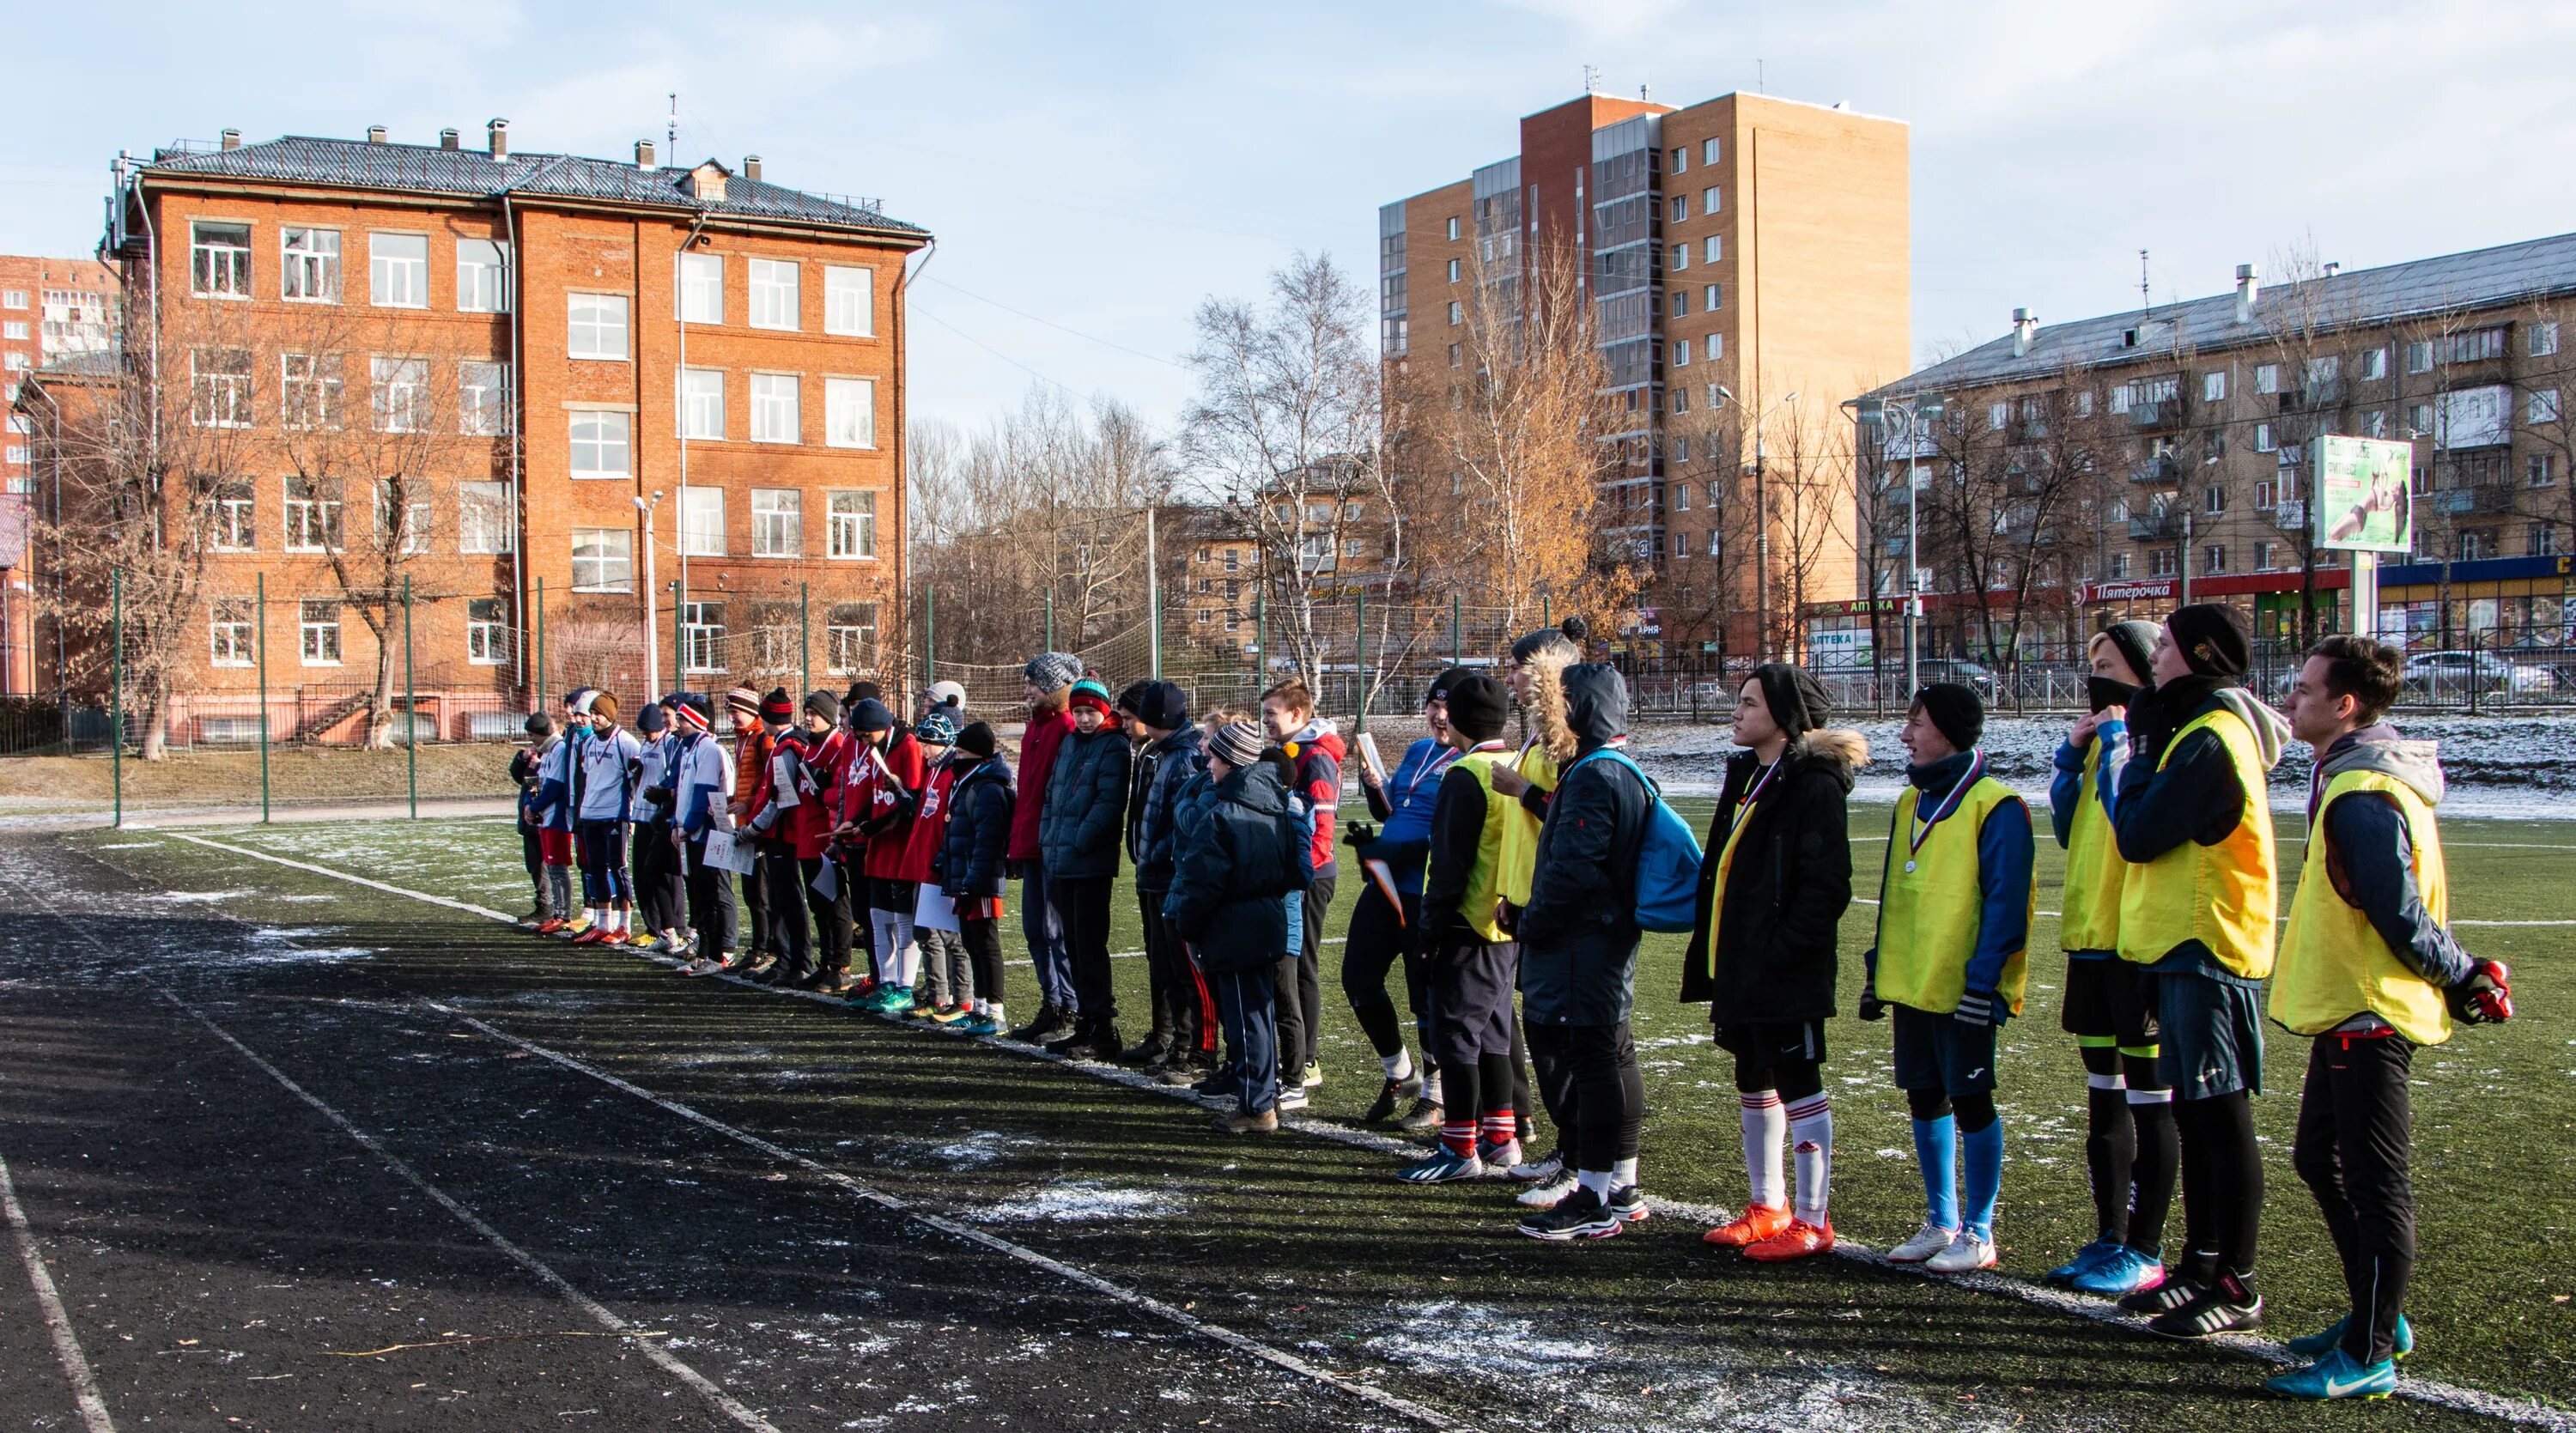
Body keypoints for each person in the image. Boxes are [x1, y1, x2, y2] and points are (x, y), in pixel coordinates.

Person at [2263, 636, 2510, 1400]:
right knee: (2318, 1158)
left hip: (2371, 1008)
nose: (2291, 697)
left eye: (2304, 688)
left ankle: (2371, 1348)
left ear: (2345, 705)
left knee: (2376, 1184)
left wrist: (2462, 972)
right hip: (2350, 1001)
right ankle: (2377, 1316)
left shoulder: (2364, 791)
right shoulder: (2351, 778)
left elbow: (2398, 912)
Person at [2110, 603, 2289, 1338]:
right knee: (2193, 1111)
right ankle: (2199, 1263)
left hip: (2209, 946)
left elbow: (2140, 833)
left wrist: (2139, 759)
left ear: (2201, 654)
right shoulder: (2191, 727)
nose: (2155, 656)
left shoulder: (2213, 735)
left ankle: (2237, 1281)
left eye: (2168, 645)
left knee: (2221, 1116)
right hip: (2179, 944)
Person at [1686, 664, 1866, 1261]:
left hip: (1785, 970)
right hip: (1742, 966)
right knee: (1752, 1075)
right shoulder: (1746, 775)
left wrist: (1780, 950)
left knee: (1798, 1081)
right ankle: (1769, 1206)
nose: (1735, 711)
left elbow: (1828, 885)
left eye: (1749, 702)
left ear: (1784, 718)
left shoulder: (1813, 782)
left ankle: (1814, 1220)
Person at [1859, 682, 2035, 1275]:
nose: (1905, 733)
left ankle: (1980, 1231)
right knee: (1924, 1094)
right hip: (1914, 979)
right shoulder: (1911, 801)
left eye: (1918, 722)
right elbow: (1896, 895)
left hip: (1965, 988)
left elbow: (2008, 905)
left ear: (1953, 732)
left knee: (1972, 1098)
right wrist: (1876, 969)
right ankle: (1942, 1221)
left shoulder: (1997, 804)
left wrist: (1984, 983)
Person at [2044, 620, 2177, 1297]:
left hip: (2138, 943)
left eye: (2107, 661)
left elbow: (2130, 815)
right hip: (2091, 938)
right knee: (2104, 1098)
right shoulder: (2103, 742)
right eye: (2090, 659)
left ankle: (2147, 1245)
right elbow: (2069, 826)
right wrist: (2072, 756)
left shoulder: (2148, 741)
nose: (2094, 673)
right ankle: (2109, 1235)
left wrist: (2119, 740)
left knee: (2152, 1099)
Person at [1514, 663, 1656, 1240]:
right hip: (1602, 937)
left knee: (1596, 1063)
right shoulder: (1618, 767)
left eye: (1559, 700)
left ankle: (1595, 1196)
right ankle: (1620, 1185)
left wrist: (1528, 920)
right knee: (1614, 1056)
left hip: (1583, 944)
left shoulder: (1594, 774)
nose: (1551, 710)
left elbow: (1572, 872)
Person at [1399, 672, 1524, 1183]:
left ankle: (1460, 1145)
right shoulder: (1513, 765)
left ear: (1458, 719)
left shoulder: (1466, 773)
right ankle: (1500, 1135)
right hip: (1504, 921)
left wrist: (1430, 929)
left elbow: (1450, 863)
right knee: (1494, 1031)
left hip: (1468, 921)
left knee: (1456, 1033)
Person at [1165, 719, 1307, 1136]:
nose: (1208, 764)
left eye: (1213, 757)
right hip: (1266, 918)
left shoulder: (1223, 813)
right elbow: (1297, 870)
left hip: (1233, 924)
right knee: (1257, 1014)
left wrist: (1190, 927)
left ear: (1230, 762)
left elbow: (1203, 881)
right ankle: (1258, 1098)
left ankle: (1257, 1106)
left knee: (1247, 1019)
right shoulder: (1278, 804)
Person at [1345, 668, 1470, 1131]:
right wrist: (1377, 790)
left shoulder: (1469, 760)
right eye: (1432, 705)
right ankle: (1400, 1072)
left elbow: (1449, 836)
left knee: (1425, 997)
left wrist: (1390, 851)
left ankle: (1436, 1099)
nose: (1438, 716)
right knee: (1357, 978)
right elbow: (1394, 811)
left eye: (1447, 708)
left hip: (1425, 891)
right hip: (1386, 883)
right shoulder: (1418, 750)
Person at [1039, 678, 1133, 1060]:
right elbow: (1052, 796)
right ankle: (1086, 1023)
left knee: (1090, 945)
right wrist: (1049, 839)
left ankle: (1103, 1028)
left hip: (1089, 862)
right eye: (1077, 712)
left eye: (1090, 712)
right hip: (1062, 859)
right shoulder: (1069, 743)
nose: (1083, 718)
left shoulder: (1114, 746)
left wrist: (1078, 840)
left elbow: (1109, 803)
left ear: (1104, 711)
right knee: (1074, 944)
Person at [1125, 681, 1215, 1078]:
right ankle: (1171, 1039)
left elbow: (1181, 824)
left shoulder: (1184, 757)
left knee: (1182, 966)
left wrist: (1155, 856)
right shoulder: (1158, 754)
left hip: (1170, 878)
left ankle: (1193, 1046)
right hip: (1153, 874)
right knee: (1162, 962)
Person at [1259, 680, 1345, 1094]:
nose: (1266, 721)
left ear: (1297, 714)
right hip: (1296, 873)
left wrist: (1298, 872)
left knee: (1303, 967)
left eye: (1272, 713)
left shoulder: (1316, 759)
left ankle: (1306, 1060)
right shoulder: (1293, 753)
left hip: (1311, 876)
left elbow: (1322, 828)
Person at [1009, 653, 1083, 1043]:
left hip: (1052, 844)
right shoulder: (1034, 728)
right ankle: (1051, 1003)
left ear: (1055, 687)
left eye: (1034, 684)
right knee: (1035, 929)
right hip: (1032, 844)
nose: (1027, 691)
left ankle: (1069, 1008)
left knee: (1055, 930)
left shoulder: (1066, 727)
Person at [848, 697, 928, 1014]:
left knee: (902, 919)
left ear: (881, 728)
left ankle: (905, 987)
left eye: (866, 735)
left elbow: (909, 804)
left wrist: (872, 826)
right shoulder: (876, 749)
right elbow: (877, 800)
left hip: (900, 847)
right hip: (879, 847)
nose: (862, 742)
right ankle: (886, 981)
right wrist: (855, 822)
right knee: (877, 918)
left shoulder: (907, 746)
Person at [936, 720, 1016, 1036]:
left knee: (985, 942)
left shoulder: (988, 789)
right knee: (971, 940)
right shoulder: (967, 785)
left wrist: (974, 877)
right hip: (966, 875)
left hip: (981, 879)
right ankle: (980, 1008)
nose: (956, 758)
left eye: (962, 752)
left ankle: (995, 1011)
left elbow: (988, 839)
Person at [899, 712, 969, 1022]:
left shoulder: (950, 773)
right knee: (925, 931)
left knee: (947, 934)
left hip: (939, 864)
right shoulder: (934, 770)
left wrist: (944, 859)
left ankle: (959, 997)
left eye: (928, 744)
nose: (923, 749)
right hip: (924, 863)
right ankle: (938, 994)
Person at [790, 692, 858, 993]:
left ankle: (841, 967)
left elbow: (842, 794)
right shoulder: (811, 748)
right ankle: (828, 962)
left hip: (826, 838)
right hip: (806, 836)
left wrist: (822, 792)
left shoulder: (838, 747)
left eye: (814, 713)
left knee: (835, 904)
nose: (807, 717)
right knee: (819, 905)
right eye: (806, 712)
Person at [668, 694, 739, 976]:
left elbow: (704, 793)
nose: (678, 724)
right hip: (694, 833)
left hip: (711, 833)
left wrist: (687, 826)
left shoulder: (707, 749)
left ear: (697, 721)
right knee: (700, 894)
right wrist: (677, 822)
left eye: (682, 719)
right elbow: (683, 792)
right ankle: (705, 951)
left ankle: (722, 951)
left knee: (715, 892)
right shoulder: (688, 749)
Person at [568, 692, 646, 946]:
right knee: (595, 868)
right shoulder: (588, 742)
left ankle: (624, 924)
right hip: (590, 813)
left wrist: (632, 813)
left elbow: (636, 779)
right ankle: (603, 923)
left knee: (619, 868)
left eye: (597, 714)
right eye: (592, 713)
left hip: (615, 815)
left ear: (610, 716)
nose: (593, 718)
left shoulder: (626, 742)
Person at [747, 688, 814, 984]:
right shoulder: (787, 744)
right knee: (781, 897)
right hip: (782, 832)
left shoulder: (786, 748)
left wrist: (756, 827)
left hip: (783, 834)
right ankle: (787, 960)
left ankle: (795, 961)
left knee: (787, 897)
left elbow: (781, 796)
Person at [532, 689, 594, 938]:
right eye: (569, 709)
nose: (570, 713)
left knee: (563, 865)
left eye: (574, 709)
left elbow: (556, 784)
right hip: (555, 814)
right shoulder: (561, 744)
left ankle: (566, 913)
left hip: (560, 814)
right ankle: (561, 913)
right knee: (555, 865)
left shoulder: (558, 747)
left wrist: (535, 806)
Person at [628, 699, 687, 954]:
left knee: (667, 873)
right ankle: (655, 927)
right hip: (642, 815)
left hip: (661, 817)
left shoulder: (670, 743)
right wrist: (636, 772)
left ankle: (677, 928)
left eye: (650, 730)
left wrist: (663, 795)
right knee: (642, 872)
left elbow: (671, 780)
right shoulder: (645, 743)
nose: (648, 734)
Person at [725, 686, 776, 973]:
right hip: (745, 824)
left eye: (736, 710)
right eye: (730, 710)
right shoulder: (742, 738)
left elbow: (769, 781)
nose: (732, 716)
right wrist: (734, 801)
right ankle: (758, 948)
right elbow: (746, 780)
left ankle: (767, 949)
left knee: (761, 893)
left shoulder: (762, 738)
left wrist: (748, 803)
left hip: (759, 825)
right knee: (751, 892)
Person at [510, 713, 558, 928]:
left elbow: (553, 783)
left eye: (532, 735)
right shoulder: (533, 753)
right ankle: (544, 905)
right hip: (530, 817)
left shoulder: (555, 750)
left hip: (546, 817)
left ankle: (554, 908)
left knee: (551, 864)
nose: (531, 739)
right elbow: (518, 776)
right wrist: (522, 759)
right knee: (534, 864)